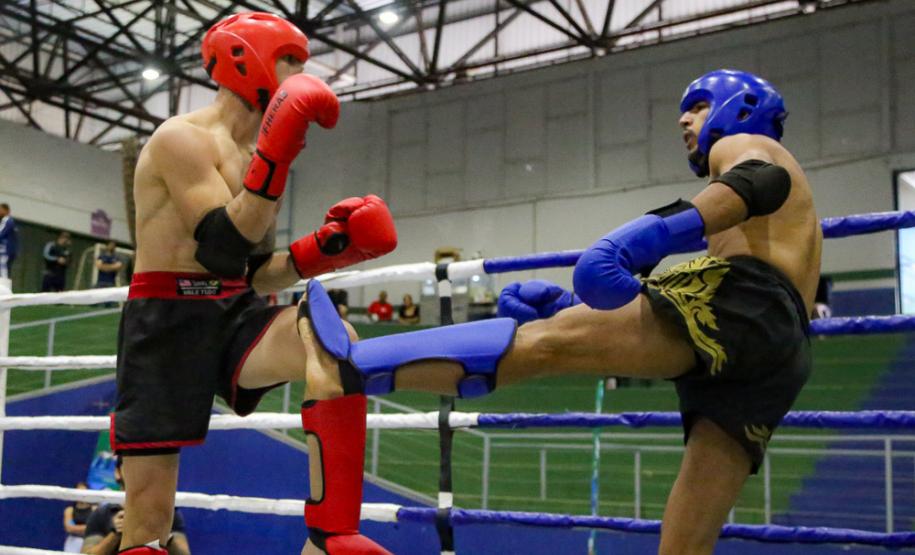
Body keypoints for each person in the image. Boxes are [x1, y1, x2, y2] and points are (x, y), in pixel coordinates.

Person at [295, 68, 818, 555]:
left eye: (699, 106)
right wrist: (580, 304)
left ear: (740, 106)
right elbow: (729, 308)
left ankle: (356, 363)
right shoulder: (778, 228)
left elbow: (760, 181)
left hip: (749, 302)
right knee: (685, 544)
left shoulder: (751, 145)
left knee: (548, 341)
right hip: (776, 351)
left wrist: (648, 236)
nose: (685, 119)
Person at [110, 12, 397, 555]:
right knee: (148, 519)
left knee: (333, 346)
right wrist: (276, 154)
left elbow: (247, 271)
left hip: (234, 312)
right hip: (165, 323)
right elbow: (221, 242)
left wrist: (329, 250)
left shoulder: (257, 158)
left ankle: (330, 534)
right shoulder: (181, 138)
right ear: (249, 59)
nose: (299, 75)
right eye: (291, 61)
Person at [81, 458, 190, 555]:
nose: (140, 470)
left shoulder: (168, 512)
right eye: (132, 464)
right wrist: (115, 534)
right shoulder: (101, 514)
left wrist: (165, 534)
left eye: (146, 466)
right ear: (117, 472)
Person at [63, 482, 93, 552]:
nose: (81, 495)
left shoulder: (95, 509)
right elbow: (69, 528)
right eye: (79, 492)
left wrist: (76, 529)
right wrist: (86, 528)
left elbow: (95, 528)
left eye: (84, 492)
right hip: (73, 542)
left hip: (89, 541)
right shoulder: (69, 510)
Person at [0, 203, 18, 281]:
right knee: (5, 268)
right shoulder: (11, 221)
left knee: (3, 267)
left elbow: (1, 233)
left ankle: (4, 285)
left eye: (0, 209)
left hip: (6, 251)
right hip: (10, 251)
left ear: (5, 210)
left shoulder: (6, 220)